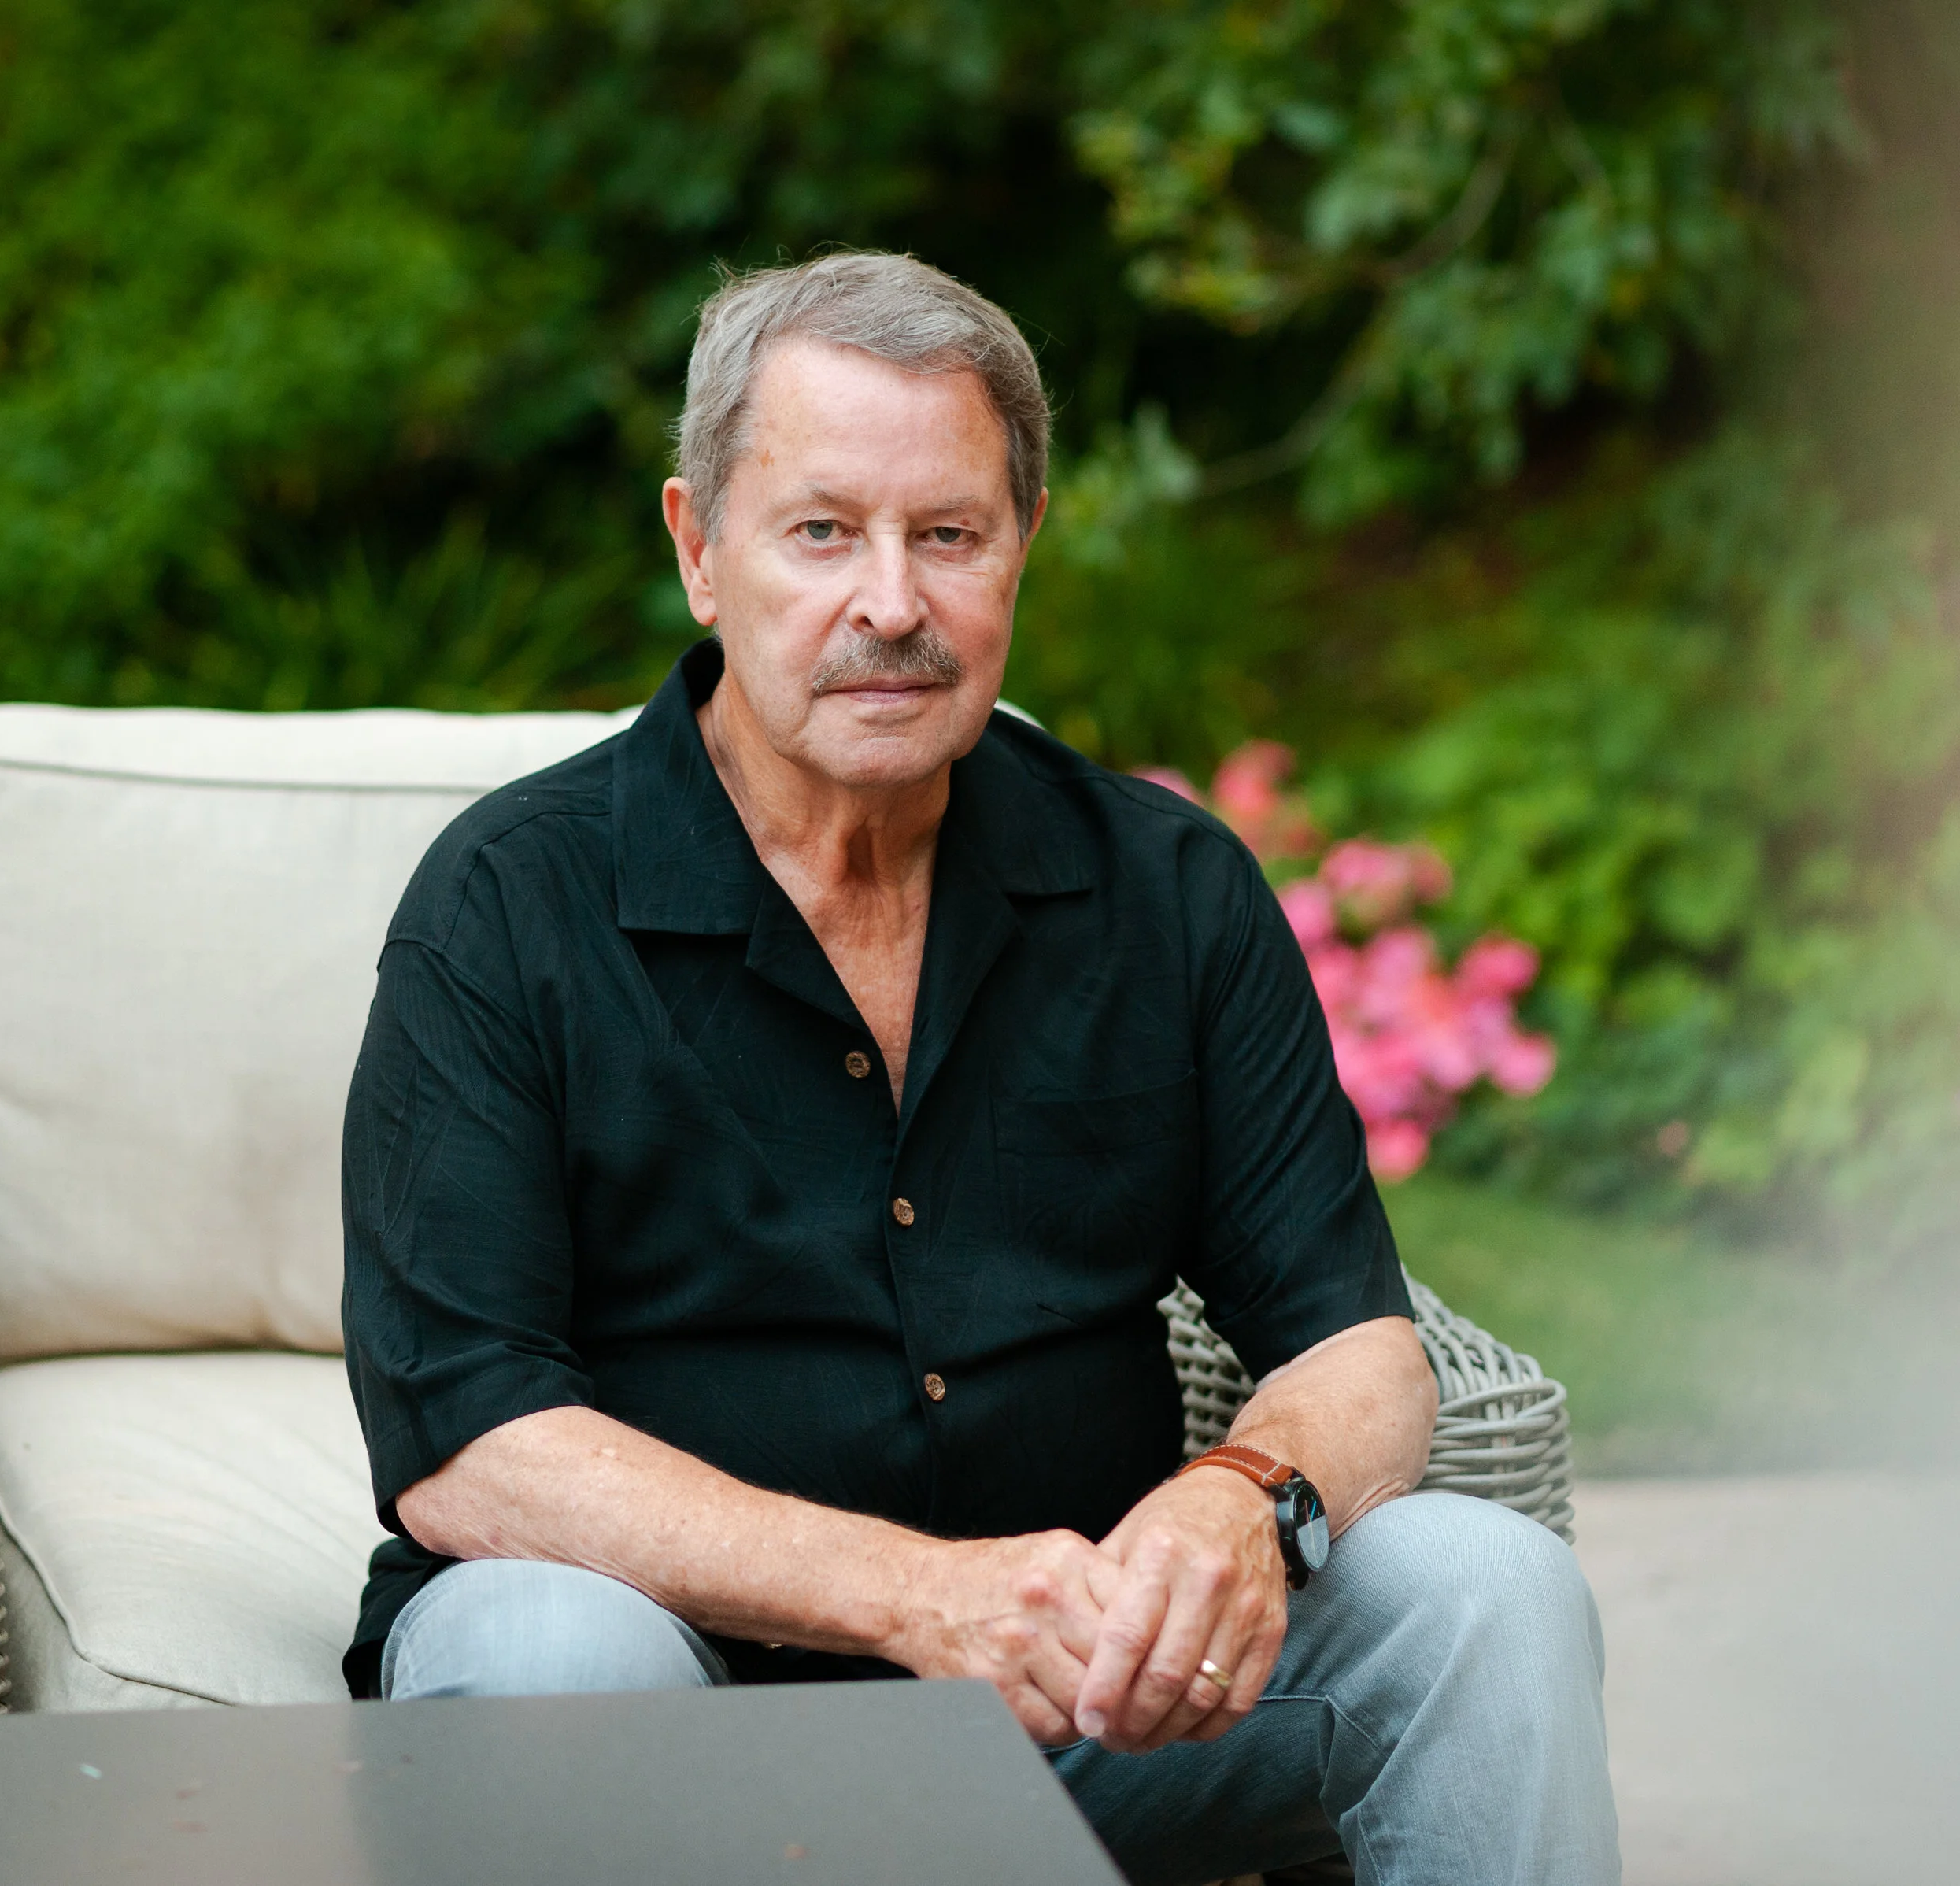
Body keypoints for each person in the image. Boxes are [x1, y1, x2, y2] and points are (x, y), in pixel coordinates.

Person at [338, 250, 1618, 1885]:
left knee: (1485, 1589)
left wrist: (1243, 1493)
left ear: (1018, 551)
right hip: (686, 1701)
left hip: (1090, 1717)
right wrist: (914, 1596)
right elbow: (469, 1441)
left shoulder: (1166, 889)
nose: (891, 604)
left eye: (947, 534)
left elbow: (1360, 1346)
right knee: (536, 1649)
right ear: (698, 551)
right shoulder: (507, 905)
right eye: (822, 533)